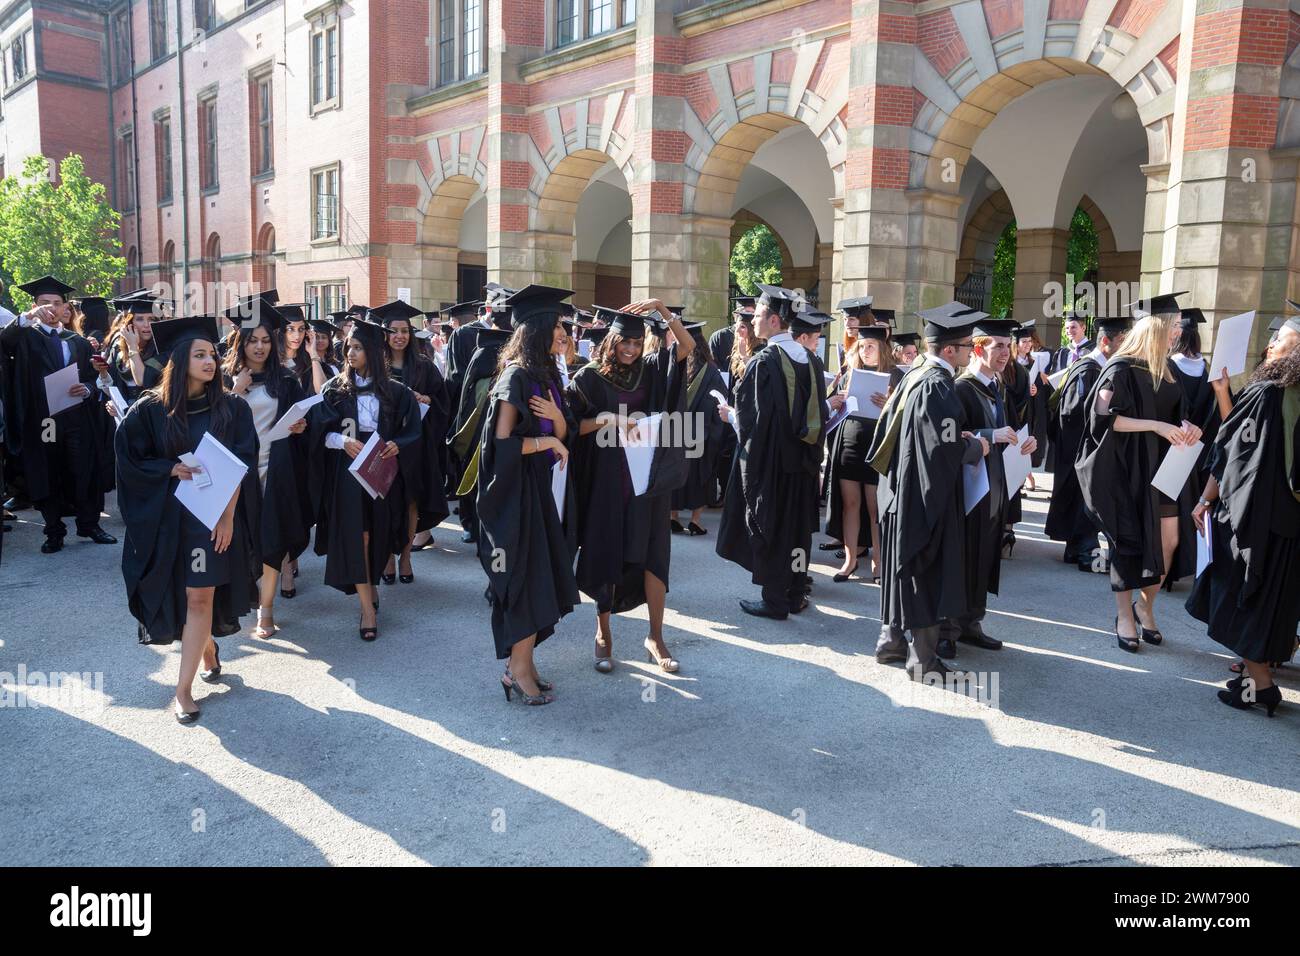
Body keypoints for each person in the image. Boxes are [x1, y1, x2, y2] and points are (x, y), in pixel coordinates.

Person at [115, 315, 259, 724]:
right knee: (184, 597)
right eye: (199, 355)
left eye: (212, 354)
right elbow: (130, 459)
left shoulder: (232, 409)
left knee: (199, 598)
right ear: (180, 361)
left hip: (208, 521)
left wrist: (228, 519)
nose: (210, 361)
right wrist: (168, 470)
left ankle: (182, 690)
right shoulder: (151, 411)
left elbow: (240, 467)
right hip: (166, 519)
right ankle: (208, 647)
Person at [866, 302, 991, 679]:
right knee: (926, 566)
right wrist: (977, 447)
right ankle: (922, 660)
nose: (972, 352)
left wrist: (957, 437)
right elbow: (945, 447)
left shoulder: (915, 373)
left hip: (899, 488)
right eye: (968, 345)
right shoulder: (939, 386)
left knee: (901, 565)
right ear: (950, 350)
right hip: (924, 494)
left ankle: (890, 643)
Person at [568, 300, 690, 671]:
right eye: (625, 341)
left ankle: (656, 635)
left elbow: (685, 348)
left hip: (647, 478)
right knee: (607, 553)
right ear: (611, 339)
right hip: (606, 481)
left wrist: (661, 312)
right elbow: (573, 427)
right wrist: (606, 418)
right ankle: (603, 632)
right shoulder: (588, 378)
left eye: (637, 343)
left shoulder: (649, 371)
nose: (631, 349)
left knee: (655, 554)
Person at [1076, 298, 1202, 654]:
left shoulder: (1168, 368)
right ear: (1157, 327)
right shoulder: (1120, 368)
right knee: (1129, 542)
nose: (1180, 330)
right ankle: (1124, 615)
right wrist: (1157, 426)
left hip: (1166, 468)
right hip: (1128, 468)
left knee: (1169, 542)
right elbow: (1103, 419)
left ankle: (1145, 603)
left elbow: (1179, 413)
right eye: (1175, 324)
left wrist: (1187, 428)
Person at [1187, 317, 1300, 715]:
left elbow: (1232, 451)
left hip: (1257, 521)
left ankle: (1263, 686)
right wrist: (1224, 394)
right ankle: (1255, 680)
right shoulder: (1289, 395)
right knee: (1272, 601)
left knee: (1246, 594)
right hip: (1289, 525)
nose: (1270, 347)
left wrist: (1204, 500)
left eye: (1281, 342)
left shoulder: (1267, 392)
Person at [476, 285, 581, 705]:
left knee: (545, 579)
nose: (565, 333)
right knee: (525, 578)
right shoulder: (515, 377)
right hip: (517, 498)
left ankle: (527, 663)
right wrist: (547, 444)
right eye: (557, 325)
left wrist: (557, 423)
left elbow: (564, 433)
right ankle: (516, 670)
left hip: (545, 491)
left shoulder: (548, 374)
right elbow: (500, 446)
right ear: (537, 329)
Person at [716, 285, 830, 620]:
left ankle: (775, 598)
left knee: (772, 527)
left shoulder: (763, 363)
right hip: (804, 463)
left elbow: (754, 422)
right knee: (797, 531)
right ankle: (795, 592)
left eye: (759, 315)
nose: (753, 321)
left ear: (776, 320)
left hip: (772, 464)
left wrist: (731, 417)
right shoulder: (811, 360)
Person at [306, 318, 423, 641]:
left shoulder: (397, 392)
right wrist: (342, 442)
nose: (350, 353)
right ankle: (367, 608)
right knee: (360, 537)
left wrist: (398, 444)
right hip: (348, 475)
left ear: (373, 351)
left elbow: (413, 430)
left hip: (382, 472)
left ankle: (371, 584)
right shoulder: (335, 390)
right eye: (348, 348)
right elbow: (319, 431)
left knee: (380, 534)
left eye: (357, 348)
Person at [940, 318, 1036, 659]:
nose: (1005, 353)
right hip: (969, 488)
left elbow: (1006, 428)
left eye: (1008, 347)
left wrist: (1024, 442)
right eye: (998, 346)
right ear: (978, 349)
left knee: (983, 556)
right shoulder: (962, 388)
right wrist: (989, 435)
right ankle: (947, 629)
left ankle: (971, 622)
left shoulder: (998, 387)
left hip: (994, 485)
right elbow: (954, 438)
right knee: (961, 557)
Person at [0, 275, 117, 553]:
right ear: (35, 306)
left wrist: (87, 388)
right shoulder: (25, 338)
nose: (51, 309)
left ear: (66, 308)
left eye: (56, 303)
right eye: (44, 303)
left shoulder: (77, 341)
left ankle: (89, 525)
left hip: (76, 417)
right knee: (47, 473)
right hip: (43, 421)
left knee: (83, 472)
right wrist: (27, 317)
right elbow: (3, 342)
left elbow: (93, 378)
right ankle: (54, 531)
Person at [222, 297, 313, 639]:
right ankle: (245, 597)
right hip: (238, 473)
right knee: (243, 541)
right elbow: (213, 428)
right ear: (240, 342)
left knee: (273, 539)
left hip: (275, 469)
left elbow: (299, 421)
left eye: (264, 340)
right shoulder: (223, 380)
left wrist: (301, 428)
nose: (259, 347)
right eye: (252, 340)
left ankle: (267, 610)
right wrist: (235, 391)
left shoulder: (285, 381)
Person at [374, 300, 451, 583]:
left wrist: (426, 398)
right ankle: (386, 561)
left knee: (410, 504)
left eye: (404, 330)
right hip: (382, 447)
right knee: (383, 504)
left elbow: (443, 403)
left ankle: (405, 557)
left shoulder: (423, 367)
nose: (400, 336)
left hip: (414, 447)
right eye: (393, 330)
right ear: (384, 334)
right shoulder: (375, 368)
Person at [1044, 316, 1129, 570]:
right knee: (1084, 496)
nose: (1127, 346)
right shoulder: (1089, 370)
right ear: (1105, 341)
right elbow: (1071, 413)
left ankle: (1076, 548)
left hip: (1083, 447)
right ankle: (1085, 551)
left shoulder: (1099, 368)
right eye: (1123, 341)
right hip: (1081, 448)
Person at [823, 325, 900, 581]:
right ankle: (850, 560)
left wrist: (889, 403)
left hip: (877, 446)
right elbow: (834, 407)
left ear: (882, 349)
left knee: (875, 507)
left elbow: (904, 414)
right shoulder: (848, 374)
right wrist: (839, 400)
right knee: (850, 504)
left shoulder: (895, 376)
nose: (865, 351)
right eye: (862, 346)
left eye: (870, 346)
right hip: (850, 441)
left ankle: (879, 560)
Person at [1164, 307, 1233, 586]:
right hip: (1202, 448)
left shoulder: (1168, 367)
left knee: (1171, 508)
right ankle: (1197, 565)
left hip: (1174, 444)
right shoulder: (1209, 370)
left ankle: (1166, 569)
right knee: (1198, 504)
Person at [449, 303, 515, 543]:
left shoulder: (518, 349)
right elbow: (465, 388)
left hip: (503, 422)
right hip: (477, 422)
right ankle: (470, 522)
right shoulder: (482, 347)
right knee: (474, 472)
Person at [669, 320, 728, 536]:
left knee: (677, 475)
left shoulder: (676, 365)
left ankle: (673, 517)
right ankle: (695, 520)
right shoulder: (711, 371)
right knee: (701, 477)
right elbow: (718, 403)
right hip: (701, 436)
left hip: (676, 433)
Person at [1012, 323, 1052, 488]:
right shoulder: (1009, 364)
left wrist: (1036, 390)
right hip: (1016, 410)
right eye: (1024, 342)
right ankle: (1020, 479)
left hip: (1032, 411)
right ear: (1016, 343)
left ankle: (1026, 475)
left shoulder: (1036, 362)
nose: (1028, 344)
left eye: (1029, 341)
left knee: (1029, 443)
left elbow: (1042, 387)